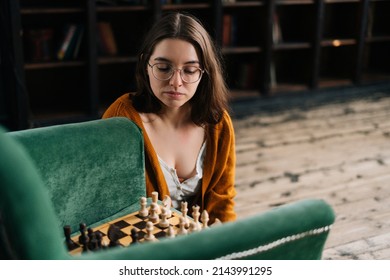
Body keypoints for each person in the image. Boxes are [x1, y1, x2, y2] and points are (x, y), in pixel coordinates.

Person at [102, 12, 236, 223]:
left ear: (204, 73)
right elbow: (108, 202)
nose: (175, 82)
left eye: (190, 70)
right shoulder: (121, 118)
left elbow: (222, 202)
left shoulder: (218, 123)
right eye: (164, 68)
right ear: (146, 64)